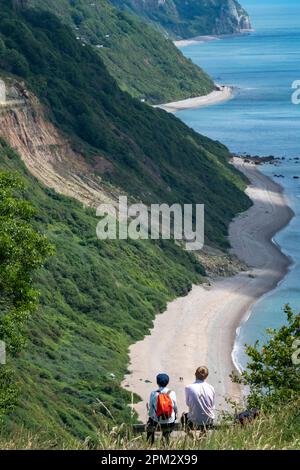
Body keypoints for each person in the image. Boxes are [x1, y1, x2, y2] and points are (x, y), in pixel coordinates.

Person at [147, 373, 177, 445]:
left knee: (149, 424)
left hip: (156, 421)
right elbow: (175, 408)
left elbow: (151, 412)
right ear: (168, 382)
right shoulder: (172, 393)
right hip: (169, 422)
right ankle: (165, 442)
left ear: (157, 382)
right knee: (166, 431)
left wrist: (150, 413)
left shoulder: (153, 393)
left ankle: (150, 444)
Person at [182, 366, 215, 431]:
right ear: (206, 376)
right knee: (204, 422)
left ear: (195, 374)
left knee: (183, 417)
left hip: (194, 421)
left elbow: (188, 403)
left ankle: (192, 437)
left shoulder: (189, 387)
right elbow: (212, 406)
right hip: (209, 420)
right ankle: (202, 438)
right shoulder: (211, 388)